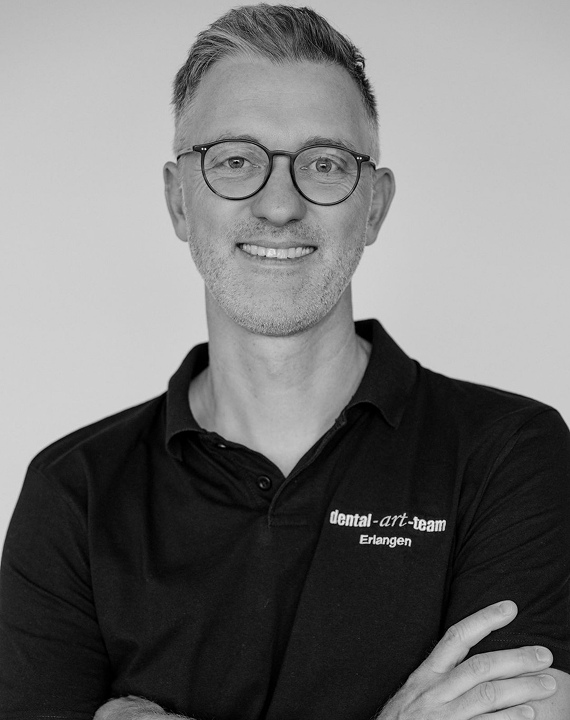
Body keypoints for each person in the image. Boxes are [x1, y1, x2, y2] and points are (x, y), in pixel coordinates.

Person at [1, 4, 569, 719]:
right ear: (179, 201)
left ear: (373, 207)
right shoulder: (74, 492)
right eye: (235, 161)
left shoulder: (508, 454)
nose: (278, 205)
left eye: (324, 164)